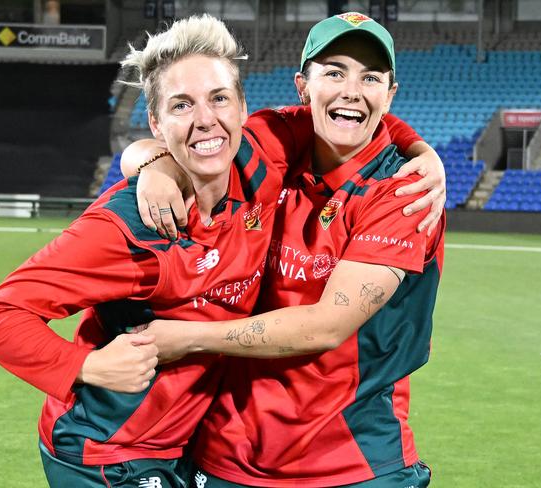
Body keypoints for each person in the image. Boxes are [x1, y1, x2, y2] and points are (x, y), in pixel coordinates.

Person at [0, 14, 314, 487]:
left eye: (219, 99)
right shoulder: (129, 228)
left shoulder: (263, 155)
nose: (205, 120)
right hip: (105, 452)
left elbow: (351, 109)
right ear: (155, 122)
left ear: (242, 107)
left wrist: (419, 153)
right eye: (181, 105)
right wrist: (86, 365)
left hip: (190, 446)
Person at [123, 12, 444, 487]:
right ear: (302, 86)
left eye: (370, 78)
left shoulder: (405, 188)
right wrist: (155, 165)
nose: (352, 90)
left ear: (390, 95)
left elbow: (326, 327)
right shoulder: (273, 139)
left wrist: (185, 338)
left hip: (352, 462)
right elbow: (183, 141)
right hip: (227, 456)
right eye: (334, 72)